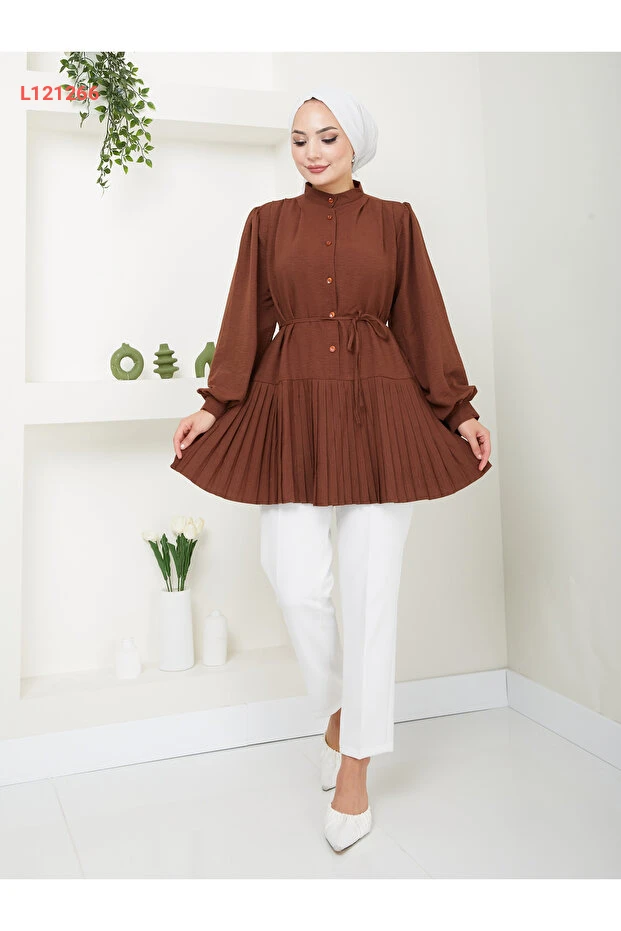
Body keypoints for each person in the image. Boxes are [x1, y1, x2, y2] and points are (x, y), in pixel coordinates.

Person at [170, 84, 492, 852]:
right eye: (299, 139)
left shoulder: (396, 221)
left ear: (355, 144)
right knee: (292, 578)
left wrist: (459, 410)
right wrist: (214, 406)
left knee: (371, 595)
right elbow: (244, 321)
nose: (311, 151)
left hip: (381, 412)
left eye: (327, 137)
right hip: (292, 412)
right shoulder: (266, 223)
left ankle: (355, 765)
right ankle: (343, 710)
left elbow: (422, 319)